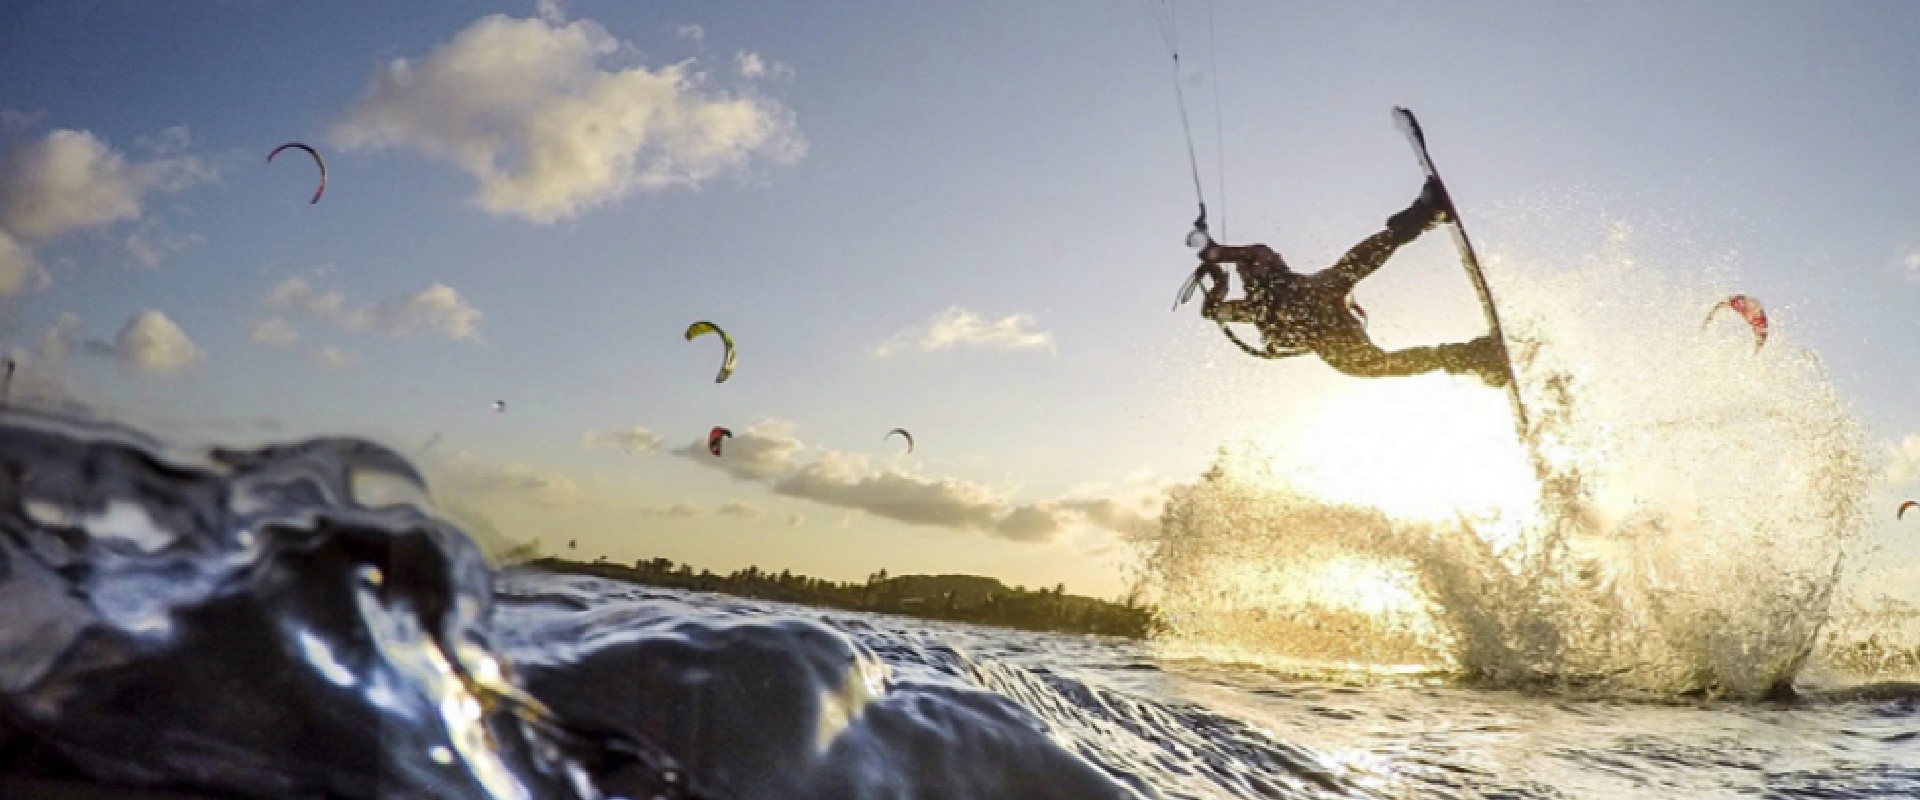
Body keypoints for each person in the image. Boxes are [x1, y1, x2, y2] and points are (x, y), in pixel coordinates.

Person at [1188, 177, 1509, 387]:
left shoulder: (1264, 273)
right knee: (1368, 363)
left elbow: (1245, 265)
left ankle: (1423, 215)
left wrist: (1215, 256)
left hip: (1317, 308)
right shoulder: (1254, 300)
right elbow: (1215, 310)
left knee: (1341, 280)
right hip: (1316, 327)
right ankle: (1470, 356)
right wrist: (1217, 274)